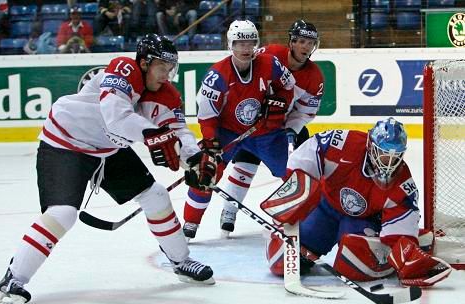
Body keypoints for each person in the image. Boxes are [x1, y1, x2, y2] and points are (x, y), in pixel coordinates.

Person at [0, 34, 218, 304]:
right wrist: (153, 135)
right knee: (62, 213)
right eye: (162, 67)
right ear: (144, 62)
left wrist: (194, 160)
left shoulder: (167, 94)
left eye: (171, 69)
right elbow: (116, 118)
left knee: (155, 195)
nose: (167, 75)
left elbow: (178, 132)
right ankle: (12, 281)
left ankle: (181, 262)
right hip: (65, 142)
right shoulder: (124, 68)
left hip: (107, 150)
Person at [264, 117, 452, 287]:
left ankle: (421, 239)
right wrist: (292, 199)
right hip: (326, 208)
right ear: (371, 146)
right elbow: (309, 153)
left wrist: (406, 252)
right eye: (384, 155)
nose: (388, 163)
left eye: (395, 157)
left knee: (352, 264)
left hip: (364, 221)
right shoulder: (346, 144)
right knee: (280, 260)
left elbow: (399, 233)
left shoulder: (403, 184)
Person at [182, 19, 295, 240]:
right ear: (230, 45)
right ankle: (190, 222)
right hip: (227, 132)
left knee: (293, 172)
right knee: (205, 173)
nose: (245, 49)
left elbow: (288, 86)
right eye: (240, 44)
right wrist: (211, 143)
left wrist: (279, 102)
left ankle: (302, 216)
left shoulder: (269, 63)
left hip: (263, 131)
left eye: (250, 43)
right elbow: (206, 117)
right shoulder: (217, 76)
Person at [219, 19, 324, 237]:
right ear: (292, 42)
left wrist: (292, 128)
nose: (306, 47)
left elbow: (305, 112)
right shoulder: (271, 54)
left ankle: (304, 212)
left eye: (310, 42)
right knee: (244, 166)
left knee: (300, 170)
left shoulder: (315, 76)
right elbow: (245, 74)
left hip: (285, 125)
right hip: (253, 122)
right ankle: (229, 211)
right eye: (302, 41)